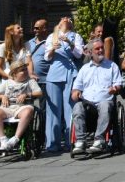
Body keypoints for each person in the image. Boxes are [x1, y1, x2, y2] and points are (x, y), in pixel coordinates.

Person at [71, 39, 124, 156]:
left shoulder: (112, 66)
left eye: (102, 48)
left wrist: (115, 88)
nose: (100, 50)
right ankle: (80, 141)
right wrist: (75, 93)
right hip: (87, 103)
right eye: (97, 49)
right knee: (77, 107)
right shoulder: (84, 69)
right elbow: (76, 88)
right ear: (90, 52)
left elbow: (118, 84)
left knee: (105, 105)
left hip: (104, 100)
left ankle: (99, 140)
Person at [43, 16, 84, 152]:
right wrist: (53, 49)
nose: (66, 19)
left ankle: (70, 141)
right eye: (63, 18)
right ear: (59, 23)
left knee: (70, 108)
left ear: (71, 24)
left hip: (70, 73)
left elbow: (78, 55)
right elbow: (46, 57)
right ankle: (52, 143)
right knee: (53, 109)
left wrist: (70, 43)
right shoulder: (52, 36)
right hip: (54, 72)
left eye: (68, 18)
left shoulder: (75, 36)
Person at [0, 61, 43, 152]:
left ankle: (16, 138)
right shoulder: (7, 82)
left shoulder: (30, 81)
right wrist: (2, 96)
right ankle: (3, 140)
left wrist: (27, 94)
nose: (25, 71)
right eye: (22, 70)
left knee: (29, 111)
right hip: (8, 107)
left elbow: (39, 93)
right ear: (14, 73)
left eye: (25, 69)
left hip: (23, 107)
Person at [27, 19, 52, 83]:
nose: (34, 30)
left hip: (45, 81)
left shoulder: (51, 43)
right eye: (34, 28)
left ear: (44, 28)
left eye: (37, 28)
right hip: (30, 80)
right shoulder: (28, 43)